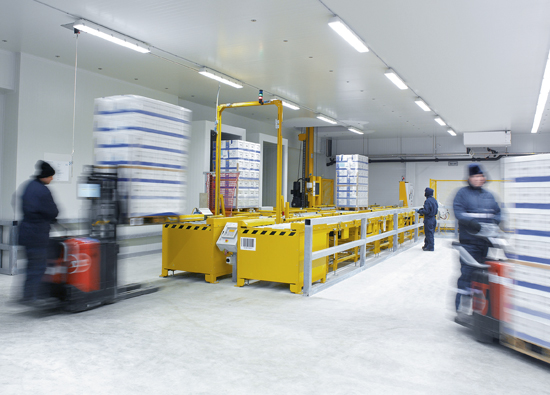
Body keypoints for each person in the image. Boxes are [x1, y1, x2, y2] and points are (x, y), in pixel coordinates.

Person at [453, 163, 501, 314]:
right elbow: (458, 212)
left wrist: (495, 223)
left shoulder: (489, 196)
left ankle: (479, 308)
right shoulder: (462, 194)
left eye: (480, 176)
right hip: (469, 243)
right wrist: (472, 224)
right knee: (467, 273)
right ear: (469, 178)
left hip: (485, 243)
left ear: (484, 178)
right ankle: (461, 307)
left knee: (483, 274)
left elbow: (499, 211)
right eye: (475, 176)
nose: (478, 179)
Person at [18, 160, 59, 306]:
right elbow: (52, 211)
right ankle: (32, 298)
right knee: (38, 267)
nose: (52, 179)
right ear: (45, 176)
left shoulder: (28, 185)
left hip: (25, 231)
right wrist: (52, 218)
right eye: (51, 176)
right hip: (37, 234)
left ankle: (26, 296)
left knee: (30, 265)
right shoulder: (43, 190)